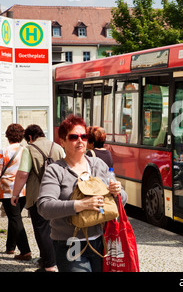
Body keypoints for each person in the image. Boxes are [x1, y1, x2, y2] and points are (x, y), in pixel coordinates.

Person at [37, 115, 127, 272]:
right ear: (62, 142)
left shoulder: (98, 165)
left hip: (101, 241)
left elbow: (122, 201)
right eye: (73, 137)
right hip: (70, 243)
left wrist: (117, 192)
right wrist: (81, 205)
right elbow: (44, 207)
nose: (80, 140)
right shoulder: (56, 170)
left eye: (84, 136)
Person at [11, 124, 65, 272]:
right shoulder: (58, 147)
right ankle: (52, 260)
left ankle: (49, 265)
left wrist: (15, 194)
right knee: (56, 229)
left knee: (42, 231)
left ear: (29, 137)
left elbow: (22, 174)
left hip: (38, 196)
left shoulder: (29, 149)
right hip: (58, 195)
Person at [1, 124, 31, 261]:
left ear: (8, 136)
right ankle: (10, 246)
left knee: (15, 218)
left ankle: (25, 251)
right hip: (23, 189)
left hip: (7, 191)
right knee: (14, 217)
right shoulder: (26, 150)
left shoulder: (4, 151)